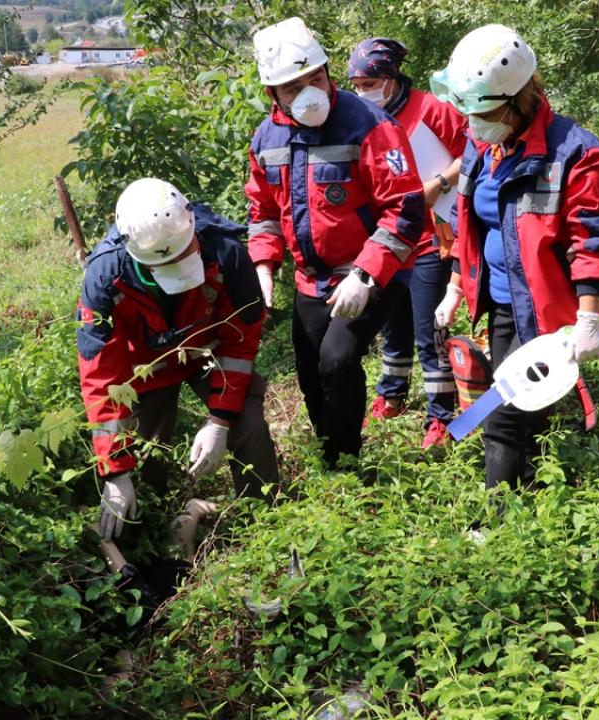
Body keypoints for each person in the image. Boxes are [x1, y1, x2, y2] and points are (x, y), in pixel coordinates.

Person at [429, 25, 599, 490]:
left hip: (545, 310)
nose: (471, 122)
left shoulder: (574, 153)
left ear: (516, 100)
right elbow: (468, 221)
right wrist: (456, 285)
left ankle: (496, 518)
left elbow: (593, 240)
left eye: (482, 112)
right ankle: (532, 495)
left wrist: (588, 319)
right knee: (523, 407)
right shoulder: (482, 144)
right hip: (502, 304)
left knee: (500, 413)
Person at [77, 178, 280, 582]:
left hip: (209, 352)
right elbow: (101, 374)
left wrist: (219, 421)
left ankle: (265, 523)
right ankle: (152, 544)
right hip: (147, 366)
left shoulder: (226, 253)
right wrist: (115, 471)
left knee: (248, 426)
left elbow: (241, 342)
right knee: (145, 459)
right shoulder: (105, 276)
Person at [246, 17, 426, 469]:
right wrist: (264, 265)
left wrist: (366, 273)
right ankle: (331, 454)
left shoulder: (369, 124)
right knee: (310, 373)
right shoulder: (267, 138)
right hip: (312, 279)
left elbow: (405, 208)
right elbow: (263, 211)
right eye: (293, 87)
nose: (309, 93)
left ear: (328, 72)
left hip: (374, 271)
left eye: (316, 78)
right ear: (273, 93)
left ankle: (346, 465)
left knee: (337, 360)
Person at [347, 37, 468, 448]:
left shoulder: (431, 108)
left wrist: (439, 184)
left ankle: (441, 414)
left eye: (368, 83)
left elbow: (475, 152)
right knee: (392, 325)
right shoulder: (365, 118)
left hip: (433, 233)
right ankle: (392, 395)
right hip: (390, 238)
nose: (362, 92)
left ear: (392, 77)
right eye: (355, 85)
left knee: (429, 327)